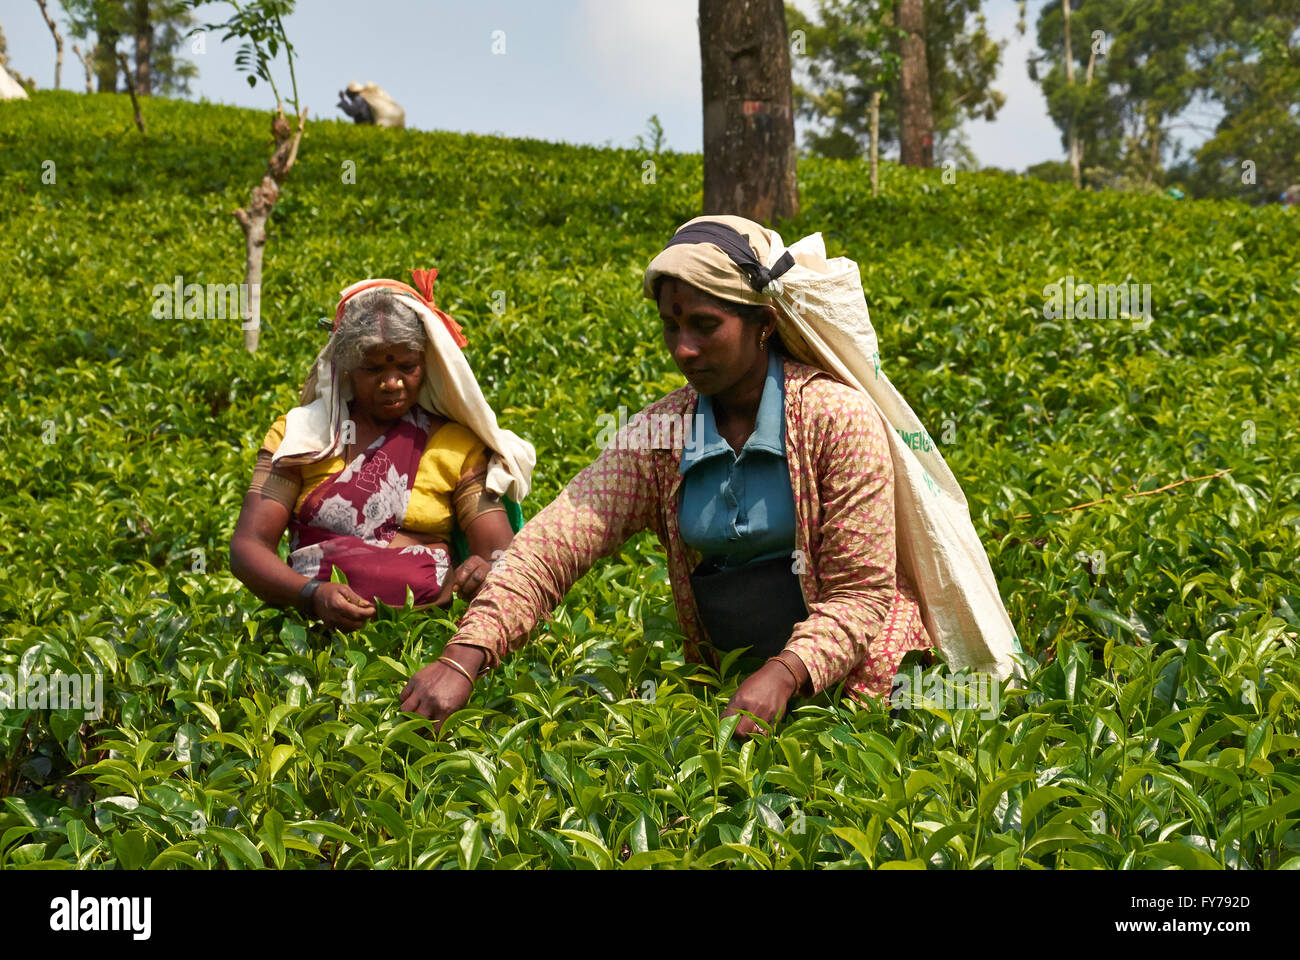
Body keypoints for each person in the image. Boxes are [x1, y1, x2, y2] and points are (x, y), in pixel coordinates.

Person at [401, 219, 939, 736]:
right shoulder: (663, 434)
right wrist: (463, 657)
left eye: (705, 325)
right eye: (671, 324)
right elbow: (553, 544)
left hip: (863, 691)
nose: (683, 348)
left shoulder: (835, 418)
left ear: (764, 324)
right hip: (731, 687)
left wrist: (784, 673)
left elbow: (859, 596)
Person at [230, 270, 535, 632]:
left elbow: (500, 553)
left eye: (407, 367)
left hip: (425, 639)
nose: (392, 383)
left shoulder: (457, 445)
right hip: (311, 637)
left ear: (426, 364)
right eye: (373, 368)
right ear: (346, 369)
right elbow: (249, 546)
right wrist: (310, 594)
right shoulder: (300, 438)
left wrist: (482, 570)